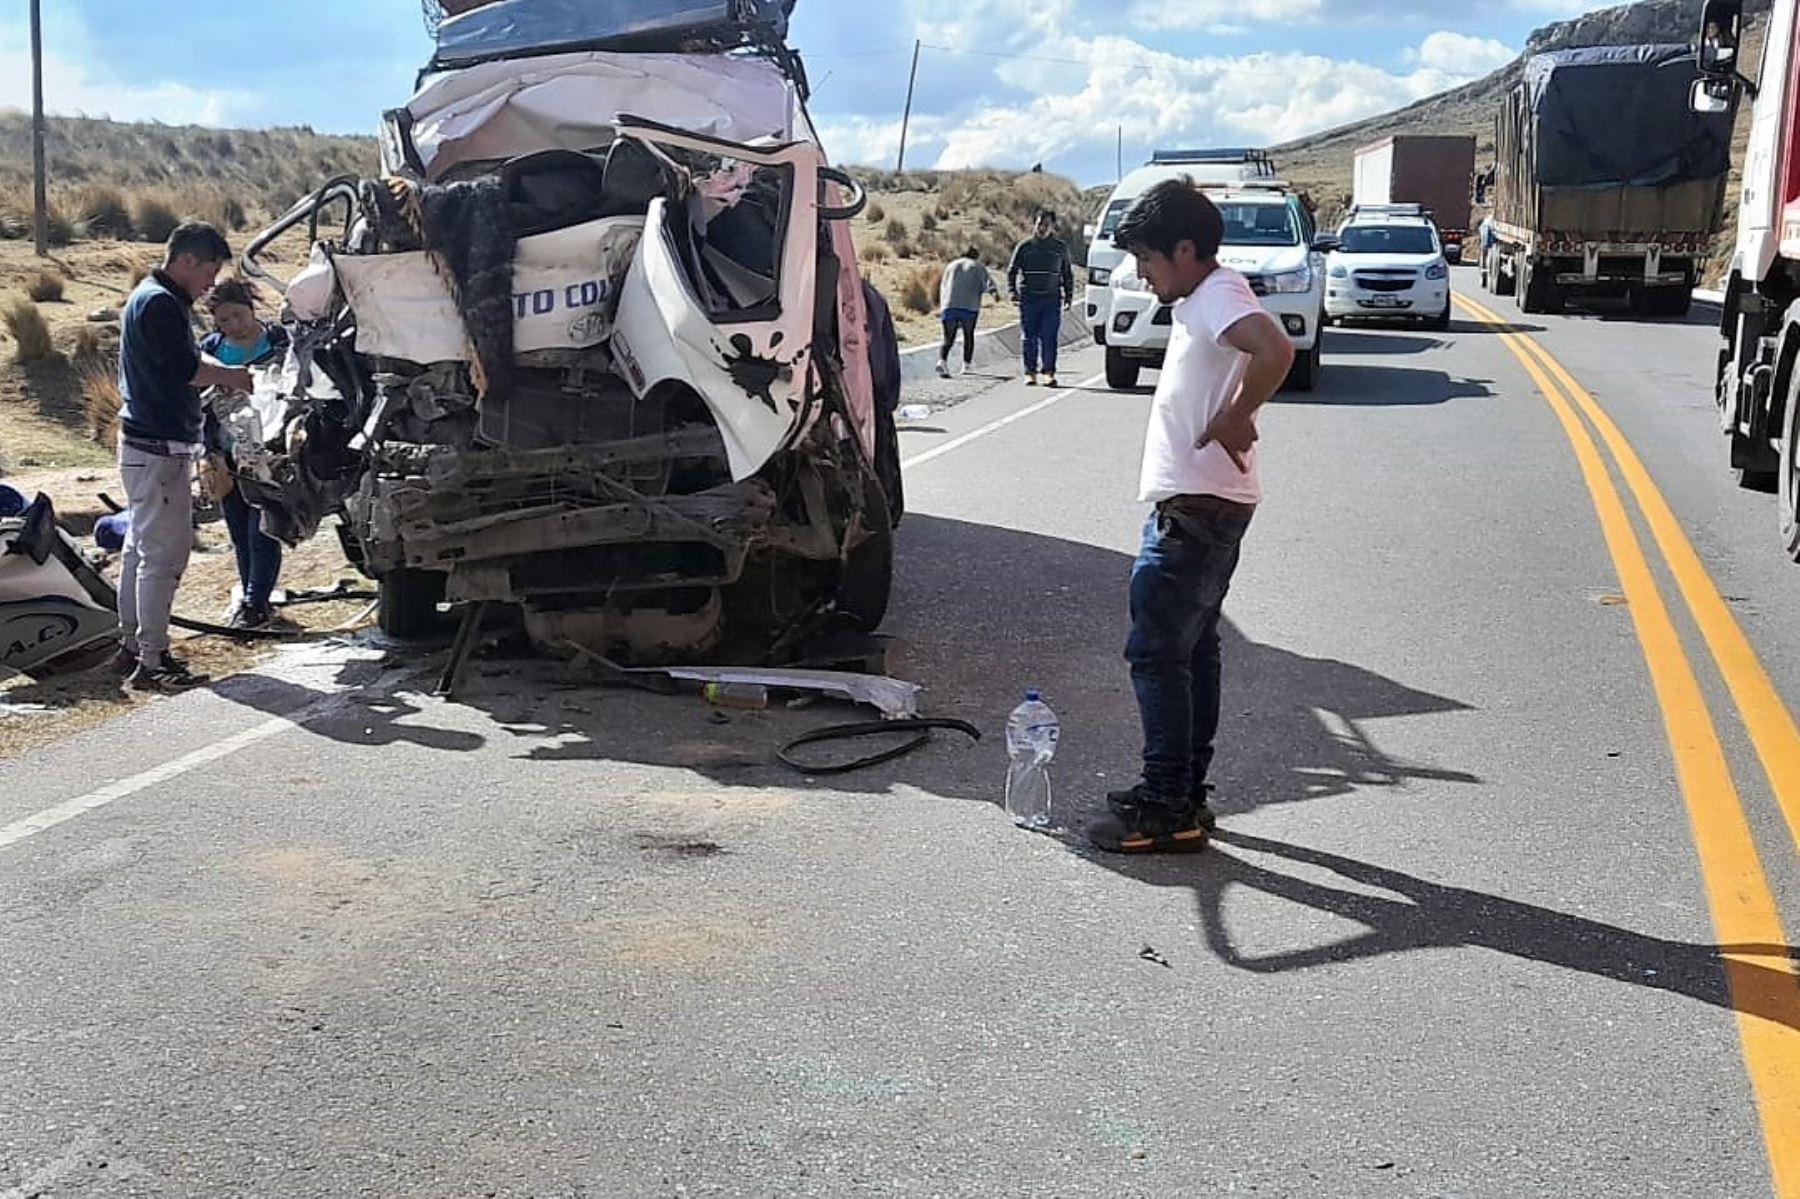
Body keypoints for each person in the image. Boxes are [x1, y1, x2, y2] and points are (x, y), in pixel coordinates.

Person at [1087, 179, 1295, 855]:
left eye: (1148, 260)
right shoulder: (1206, 298)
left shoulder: (1217, 294)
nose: (1142, 274)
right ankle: (1185, 794)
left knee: (1155, 652)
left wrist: (1236, 415)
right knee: (1189, 652)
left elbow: (1276, 349)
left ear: (1185, 249)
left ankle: (1166, 801)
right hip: (1204, 501)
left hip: (1198, 507)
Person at [114, 222, 252, 692]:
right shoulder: (160, 303)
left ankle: (131, 645)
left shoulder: (149, 296)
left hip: (142, 443)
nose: (211, 283)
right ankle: (151, 661)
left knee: (140, 546)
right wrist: (238, 378)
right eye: (209, 271)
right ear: (187, 261)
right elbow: (186, 370)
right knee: (164, 555)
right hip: (158, 446)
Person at [199, 277, 291, 630]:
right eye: (224, 320)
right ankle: (253, 601)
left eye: (238, 316)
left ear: (251, 309)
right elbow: (199, 405)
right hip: (225, 454)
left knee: (262, 529)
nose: (233, 326)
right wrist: (209, 450)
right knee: (238, 530)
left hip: (268, 454)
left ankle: (255, 603)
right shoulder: (210, 348)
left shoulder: (279, 342)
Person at [1006, 209, 1074, 388]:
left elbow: (1067, 273)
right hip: (1029, 298)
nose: (1042, 228)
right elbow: (1012, 271)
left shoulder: (1060, 248)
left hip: (1052, 299)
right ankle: (1030, 373)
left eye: (1046, 225)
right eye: (1039, 224)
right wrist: (1013, 292)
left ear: (1052, 226)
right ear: (1034, 225)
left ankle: (1049, 373)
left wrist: (1069, 295)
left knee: (1049, 337)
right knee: (1029, 337)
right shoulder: (1025, 246)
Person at [936, 246, 999, 378]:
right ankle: (966, 365)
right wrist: (994, 293)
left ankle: (942, 361)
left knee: (948, 338)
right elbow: (988, 283)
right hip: (969, 307)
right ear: (976, 256)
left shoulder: (951, 265)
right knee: (968, 336)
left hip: (949, 305)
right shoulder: (978, 266)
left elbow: (943, 285)